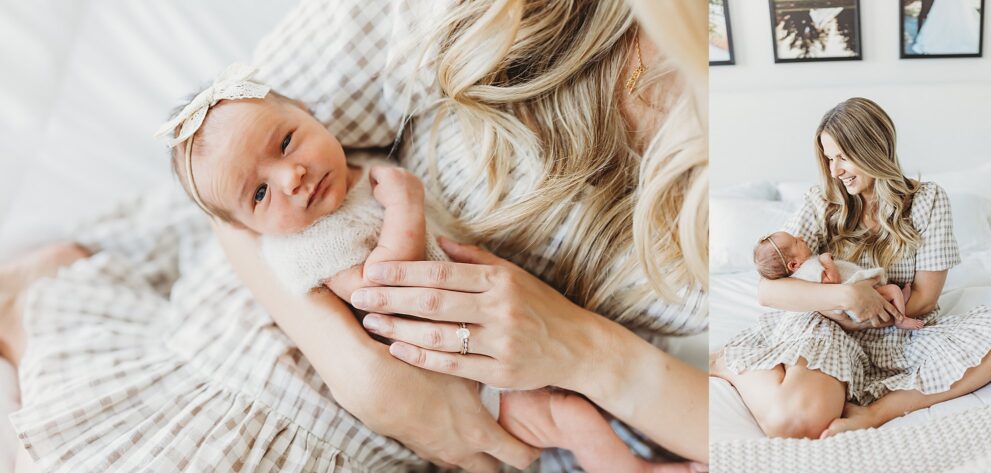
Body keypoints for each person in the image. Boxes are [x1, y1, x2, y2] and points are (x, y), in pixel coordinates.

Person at [3, 0, 710, 471]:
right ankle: (51, 289)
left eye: (289, 142)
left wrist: (587, 353)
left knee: (569, 422)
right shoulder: (307, 230)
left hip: (505, 371)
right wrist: (370, 372)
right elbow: (380, 292)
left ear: (311, 115)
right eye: (261, 192)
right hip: (282, 359)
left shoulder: (733, 163)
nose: (291, 179)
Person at [712, 97, 991, 440]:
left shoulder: (929, 201)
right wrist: (846, 299)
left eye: (843, 157)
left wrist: (868, 311)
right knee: (795, 424)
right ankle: (730, 364)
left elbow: (923, 300)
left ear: (873, 148)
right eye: (829, 159)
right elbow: (768, 290)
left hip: (896, 330)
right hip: (830, 326)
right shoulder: (823, 203)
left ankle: (875, 412)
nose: (834, 170)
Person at [753, 231, 922, 330]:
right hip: (854, 302)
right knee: (893, 290)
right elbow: (832, 281)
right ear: (793, 264)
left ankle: (900, 301)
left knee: (891, 291)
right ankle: (901, 318)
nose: (802, 237)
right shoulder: (810, 268)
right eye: (797, 242)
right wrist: (827, 260)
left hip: (855, 297)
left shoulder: (803, 271)